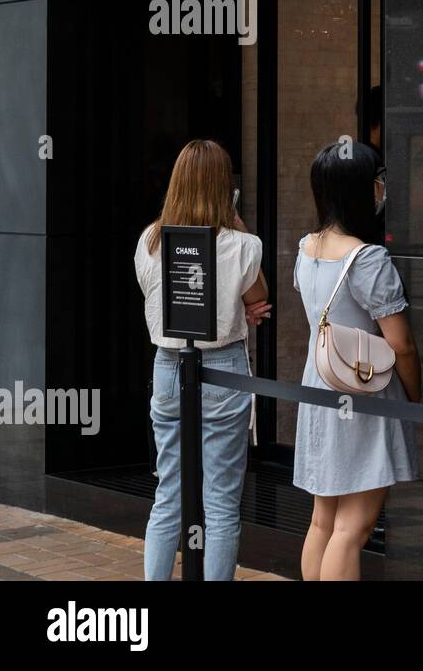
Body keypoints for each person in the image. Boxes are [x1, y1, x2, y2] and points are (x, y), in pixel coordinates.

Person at [134, 140, 268, 581]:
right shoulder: (243, 245)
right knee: (222, 501)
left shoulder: (150, 241)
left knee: (167, 493)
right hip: (223, 367)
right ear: (224, 188)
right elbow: (259, 297)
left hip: (167, 366)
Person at [293, 141, 420, 581]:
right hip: (364, 391)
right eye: (376, 182)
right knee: (354, 526)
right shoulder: (367, 258)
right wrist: (415, 397)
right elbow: (401, 343)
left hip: (319, 383)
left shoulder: (306, 248)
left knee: (323, 520)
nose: (382, 189)